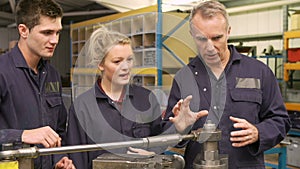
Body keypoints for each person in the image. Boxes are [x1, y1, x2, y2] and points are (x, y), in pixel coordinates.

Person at [163, 1, 291, 168]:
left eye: (217, 38)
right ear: (192, 34)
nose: (209, 47)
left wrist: (259, 132)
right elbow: (167, 129)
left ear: (228, 32)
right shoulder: (183, 78)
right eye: (201, 39)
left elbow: (280, 120)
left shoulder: (259, 72)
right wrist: (178, 129)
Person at [66, 27, 165, 169]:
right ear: (101, 64)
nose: (125, 67)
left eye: (129, 59)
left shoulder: (146, 99)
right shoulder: (82, 107)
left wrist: (153, 154)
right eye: (117, 61)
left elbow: (160, 144)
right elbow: (78, 160)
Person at [0, 0, 75, 169]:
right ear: (23, 30)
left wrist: (60, 158)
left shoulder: (52, 75)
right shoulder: (2, 72)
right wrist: (23, 135)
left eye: (57, 32)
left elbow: (59, 129)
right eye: (47, 32)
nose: (55, 40)